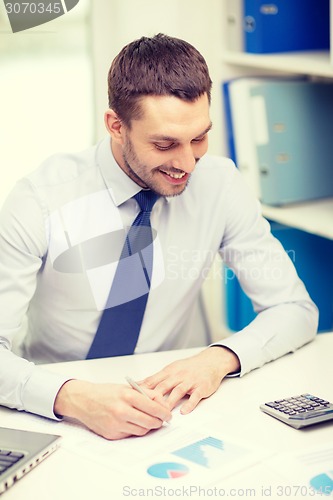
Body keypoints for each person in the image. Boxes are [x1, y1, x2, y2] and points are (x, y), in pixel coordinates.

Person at [0, 34, 318, 440]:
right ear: (116, 125)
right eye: (165, 144)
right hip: (56, 411)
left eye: (199, 137)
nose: (187, 163)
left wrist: (217, 359)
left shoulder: (220, 184)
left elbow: (294, 308)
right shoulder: (39, 199)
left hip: (181, 409)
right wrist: (70, 396)